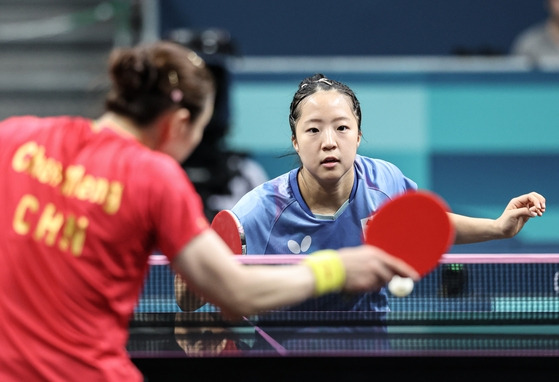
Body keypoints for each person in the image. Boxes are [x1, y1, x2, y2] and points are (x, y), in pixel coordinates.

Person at [0, 42, 421, 381]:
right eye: (197, 134)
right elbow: (235, 292)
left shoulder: (15, 138)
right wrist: (337, 268)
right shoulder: (156, 179)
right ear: (179, 124)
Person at [196, 73, 544, 314]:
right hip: (286, 354)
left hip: (369, 351)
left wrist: (499, 227)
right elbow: (197, 292)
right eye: (313, 130)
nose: (329, 141)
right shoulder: (260, 209)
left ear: (358, 136)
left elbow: (427, 225)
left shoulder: (384, 180)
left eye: (342, 128)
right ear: (296, 143)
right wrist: (194, 298)